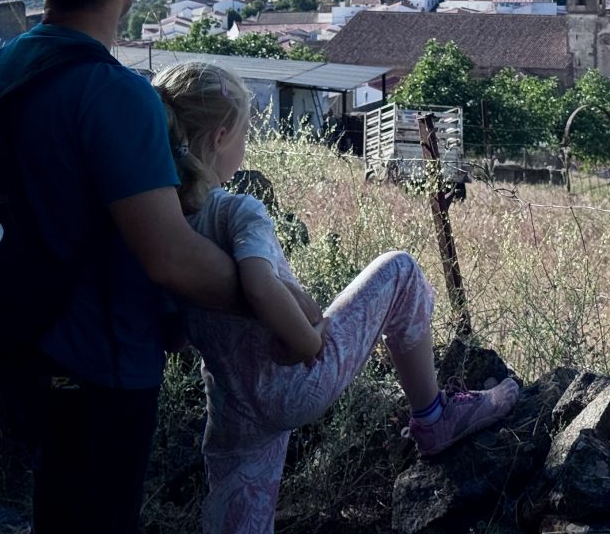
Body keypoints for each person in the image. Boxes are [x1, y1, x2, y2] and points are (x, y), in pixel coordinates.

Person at [151, 61, 520, 534]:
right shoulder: (238, 210)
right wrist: (307, 338)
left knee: (238, 508)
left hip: (234, 398)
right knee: (401, 270)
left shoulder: (165, 230)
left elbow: (175, 334)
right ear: (222, 137)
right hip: (296, 378)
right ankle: (433, 417)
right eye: (243, 134)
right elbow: (261, 286)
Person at [0, 0, 244, 534]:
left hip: (9, 348)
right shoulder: (117, 97)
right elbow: (170, 257)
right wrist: (264, 292)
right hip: (101, 368)